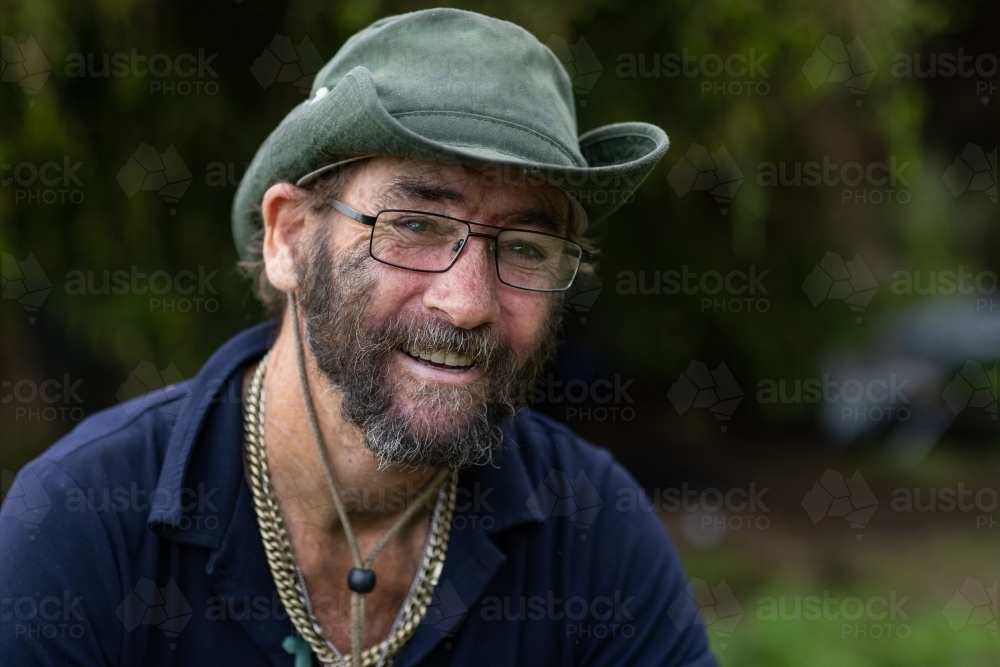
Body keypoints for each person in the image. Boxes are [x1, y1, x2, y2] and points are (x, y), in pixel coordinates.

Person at [1, 8, 717, 666]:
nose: (466, 303)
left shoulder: (594, 533)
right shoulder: (80, 526)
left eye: (526, 246)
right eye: (413, 225)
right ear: (287, 237)